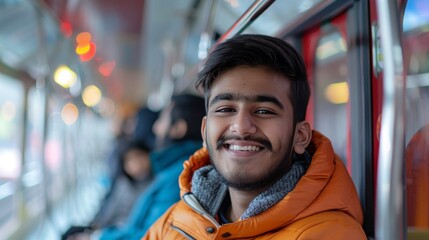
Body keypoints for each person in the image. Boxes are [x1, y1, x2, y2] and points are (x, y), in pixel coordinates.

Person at [143, 34, 366, 239]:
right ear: (204, 131)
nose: (241, 127)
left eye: (264, 111)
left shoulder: (332, 233)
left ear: (300, 136)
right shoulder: (175, 222)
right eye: (225, 109)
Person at [97, 93, 206, 239]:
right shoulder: (171, 169)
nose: (156, 128)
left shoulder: (181, 177)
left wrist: (98, 237)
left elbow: (149, 234)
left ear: (178, 129)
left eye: (162, 120)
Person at [62, 139, 152, 240]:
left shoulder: (154, 186)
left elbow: (135, 227)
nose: (136, 163)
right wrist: (96, 227)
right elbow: (110, 209)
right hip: (109, 228)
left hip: (122, 231)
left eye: (139, 156)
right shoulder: (123, 184)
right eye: (130, 161)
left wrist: (96, 236)